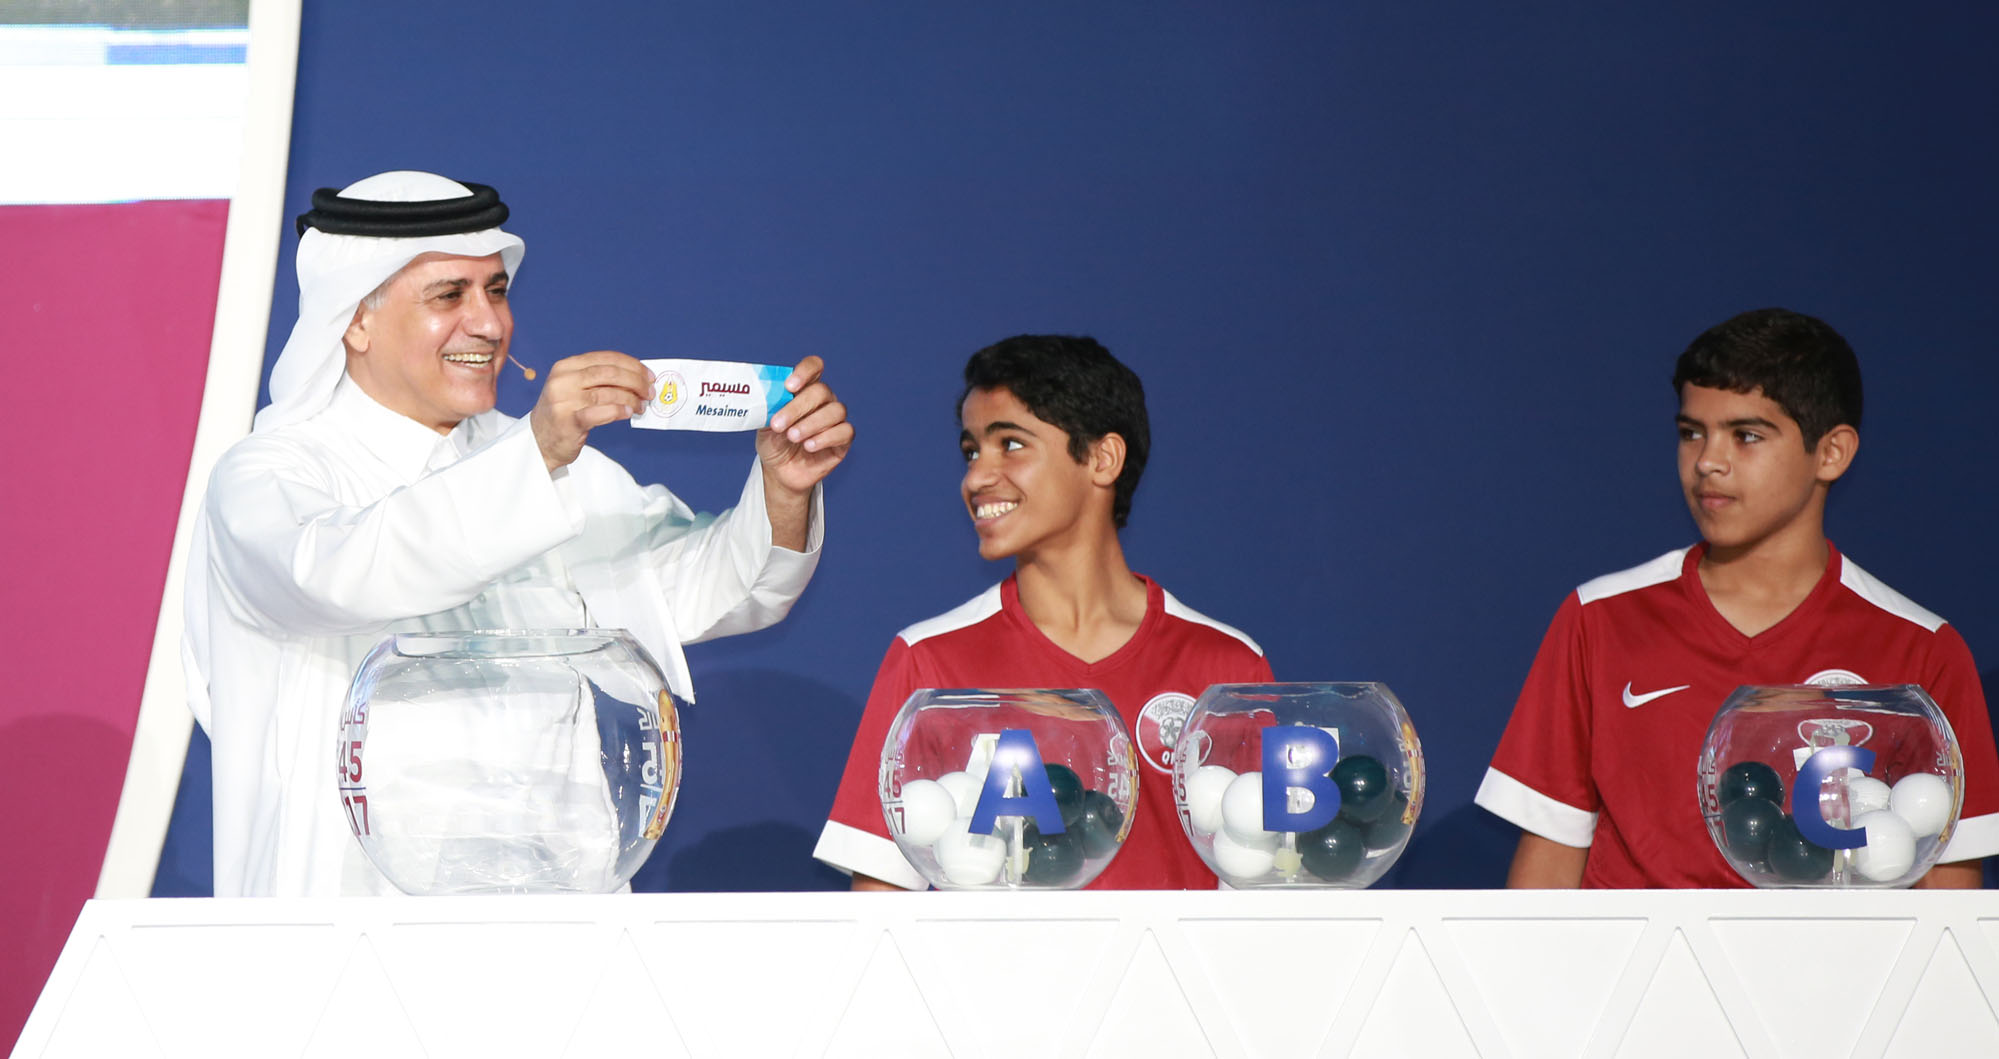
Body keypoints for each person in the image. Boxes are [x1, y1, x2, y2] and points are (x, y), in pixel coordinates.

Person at [185, 171, 852, 897]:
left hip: (556, 919)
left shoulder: (544, 460)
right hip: (351, 923)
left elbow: (706, 589)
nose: (489, 323)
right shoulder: (267, 476)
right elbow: (344, 574)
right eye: (449, 295)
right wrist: (532, 458)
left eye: (496, 291)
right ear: (354, 320)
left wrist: (783, 489)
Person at [1476, 308, 1999, 888]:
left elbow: (1949, 905)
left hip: (1829, 954)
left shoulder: (1923, 650)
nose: (1707, 461)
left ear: (1832, 452)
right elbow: (1548, 866)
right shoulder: (1600, 618)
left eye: (1746, 436)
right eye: (1691, 432)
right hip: (1634, 952)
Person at [814, 334, 1271, 890]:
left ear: (1102, 458)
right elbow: (879, 905)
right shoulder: (927, 661)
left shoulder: (1227, 667)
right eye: (971, 451)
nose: (976, 477)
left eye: (1010, 444)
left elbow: (1265, 892)